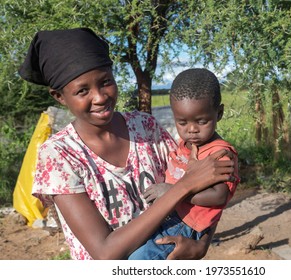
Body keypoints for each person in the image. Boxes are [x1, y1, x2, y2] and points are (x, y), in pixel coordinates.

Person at [18, 27, 235, 260]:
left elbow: (206, 178)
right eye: (83, 90)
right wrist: (182, 188)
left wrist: (202, 242)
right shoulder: (59, 156)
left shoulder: (145, 128)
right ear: (59, 96)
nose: (100, 97)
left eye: (105, 82)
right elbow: (105, 253)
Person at [128, 68, 239, 260]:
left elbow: (219, 197)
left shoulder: (220, 153)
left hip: (187, 225)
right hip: (169, 216)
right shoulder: (185, 145)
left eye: (201, 121)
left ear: (219, 113)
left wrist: (171, 191)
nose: (192, 130)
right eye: (182, 122)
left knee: (138, 260)